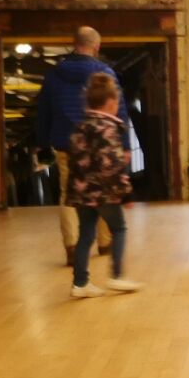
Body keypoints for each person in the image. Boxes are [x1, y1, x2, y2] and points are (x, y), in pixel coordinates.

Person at [35, 26, 131, 264]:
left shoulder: (54, 75)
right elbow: (120, 111)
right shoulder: (105, 73)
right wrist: (125, 144)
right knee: (103, 189)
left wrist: (42, 143)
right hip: (102, 141)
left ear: (73, 43)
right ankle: (105, 243)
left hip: (67, 143)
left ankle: (71, 246)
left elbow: (43, 112)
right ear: (96, 47)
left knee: (68, 194)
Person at [67, 73, 143, 299]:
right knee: (118, 229)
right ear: (110, 103)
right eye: (117, 103)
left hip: (80, 191)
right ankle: (117, 276)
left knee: (85, 235)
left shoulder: (80, 127)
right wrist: (126, 193)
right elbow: (110, 166)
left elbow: (76, 160)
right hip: (103, 192)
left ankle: (80, 283)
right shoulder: (107, 129)